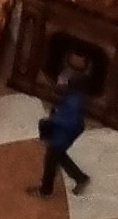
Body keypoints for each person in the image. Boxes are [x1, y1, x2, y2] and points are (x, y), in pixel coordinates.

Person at [37, 60, 92, 199]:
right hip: (62, 132)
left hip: (64, 134)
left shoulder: (73, 102)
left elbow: (71, 123)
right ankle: (81, 178)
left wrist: (52, 121)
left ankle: (45, 191)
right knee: (59, 156)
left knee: (51, 161)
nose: (58, 83)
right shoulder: (69, 95)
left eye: (61, 82)